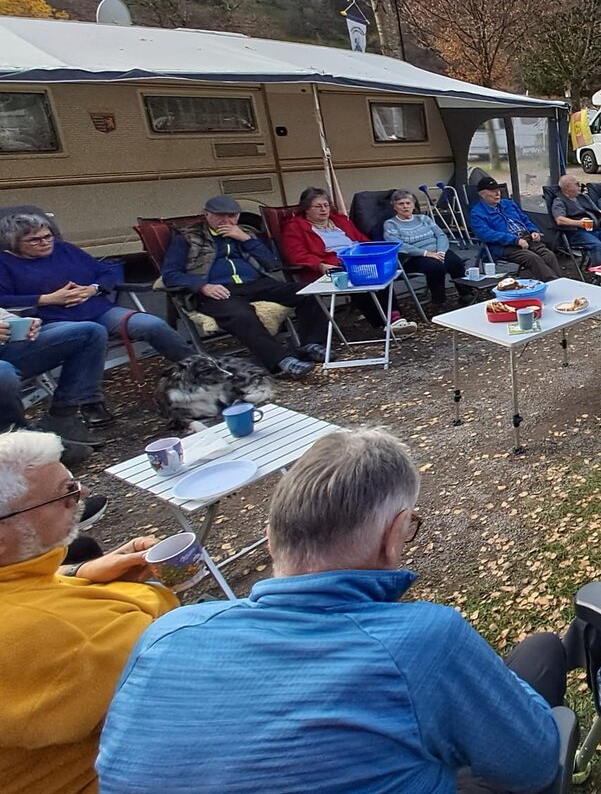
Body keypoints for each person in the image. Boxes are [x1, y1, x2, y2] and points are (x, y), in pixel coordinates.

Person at [97, 428, 566, 794]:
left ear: (271, 535)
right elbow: (535, 764)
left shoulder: (165, 635)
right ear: (394, 535)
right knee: (541, 659)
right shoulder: (424, 641)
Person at [0, 430, 178, 794]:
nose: (82, 493)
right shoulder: (67, 635)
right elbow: (166, 635)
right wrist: (149, 587)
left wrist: (77, 573)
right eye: (64, 493)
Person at [161, 195, 325, 378]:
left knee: (309, 291)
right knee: (242, 315)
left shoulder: (245, 232)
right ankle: (282, 361)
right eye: (220, 216)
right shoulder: (188, 237)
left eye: (232, 216)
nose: (226, 221)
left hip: (255, 283)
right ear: (206, 214)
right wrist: (202, 286)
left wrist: (246, 239)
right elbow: (170, 274)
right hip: (216, 290)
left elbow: (272, 263)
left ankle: (312, 344)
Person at [0, 212, 195, 364]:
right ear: (13, 242)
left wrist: (93, 289)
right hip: (51, 321)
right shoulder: (5, 264)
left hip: (98, 311)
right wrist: (47, 299)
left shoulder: (65, 249)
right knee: (88, 335)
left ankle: (198, 367)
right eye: (35, 240)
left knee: (154, 325)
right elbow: (3, 299)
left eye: (48, 236)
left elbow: (106, 272)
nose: (45, 242)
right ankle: (86, 397)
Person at [280, 187, 418, 337]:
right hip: (329, 267)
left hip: (357, 259)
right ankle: (387, 322)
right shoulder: (295, 227)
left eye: (326, 205)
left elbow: (362, 241)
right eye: (318, 206)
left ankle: (394, 319)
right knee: (362, 278)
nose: (324, 210)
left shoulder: (340, 221)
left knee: (381, 272)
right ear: (306, 209)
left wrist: (373, 254)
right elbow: (297, 255)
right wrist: (320, 265)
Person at [0, 311, 107, 460]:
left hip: (6, 347)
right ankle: (20, 445)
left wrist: (25, 324)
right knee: (3, 373)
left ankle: (62, 418)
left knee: (91, 333)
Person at [381, 189, 468, 311]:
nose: (405, 206)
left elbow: (441, 235)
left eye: (408, 203)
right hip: (414, 257)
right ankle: (439, 301)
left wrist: (441, 251)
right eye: (401, 204)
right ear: (394, 206)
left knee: (455, 263)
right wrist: (426, 253)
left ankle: (466, 294)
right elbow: (398, 245)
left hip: (438, 251)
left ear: (413, 205)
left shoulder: (424, 218)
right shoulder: (391, 224)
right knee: (436, 267)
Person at [467, 177, 563, 281]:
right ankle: (553, 283)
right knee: (533, 258)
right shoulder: (477, 213)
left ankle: (560, 282)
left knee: (549, 255)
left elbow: (525, 219)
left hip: (527, 238)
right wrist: (515, 240)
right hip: (506, 245)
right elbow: (486, 234)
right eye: (492, 191)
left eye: (498, 190)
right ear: (482, 194)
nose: (497, 193)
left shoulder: (508, 204)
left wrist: (533, 230)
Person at [550, 174, 601, 265]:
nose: (580, 186)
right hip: (576, 233)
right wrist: (579, 223)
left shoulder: (583, 197)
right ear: (568, 186)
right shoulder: (559, 201)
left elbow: (598, 212)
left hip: (594, 229)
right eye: (577, 184)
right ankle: (597, 273)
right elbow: (559, 219)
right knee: (597, 246)